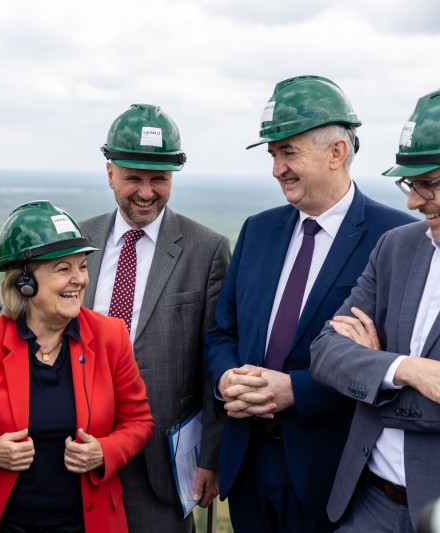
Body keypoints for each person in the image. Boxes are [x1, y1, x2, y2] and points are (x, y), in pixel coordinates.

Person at [203, 75, 415, 532]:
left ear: (336, 152)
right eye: (273, 155)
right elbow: (224, 332)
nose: (277, 169)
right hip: (246, 463)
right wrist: (227, 379)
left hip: (330, 472)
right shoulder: (258, 230)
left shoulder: (396, 238)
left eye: (288, 153)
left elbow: (395, 365)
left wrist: (295, 390)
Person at [0, 200, 154, 533]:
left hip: (83, 523)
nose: (79, 279)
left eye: (83, 266)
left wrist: (104, 451)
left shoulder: (110, 337)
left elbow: (139, 421)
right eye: (63, 269)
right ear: (25, 281)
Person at [78, 103, 230, 532]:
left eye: (159, 179)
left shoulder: (207, 249)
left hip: (161, 460)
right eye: (133, 178)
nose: (146, 192)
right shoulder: (79, 240)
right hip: (79, 448)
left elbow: (215, 359)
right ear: (110, 173)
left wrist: (211, 456)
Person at [311, 88, 440, 532]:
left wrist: (373, 373)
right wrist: (405, 369)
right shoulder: (396, 247)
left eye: (430, 183)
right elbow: (325, 353)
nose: (413, 202)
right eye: (410, 184)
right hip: (368, 504)